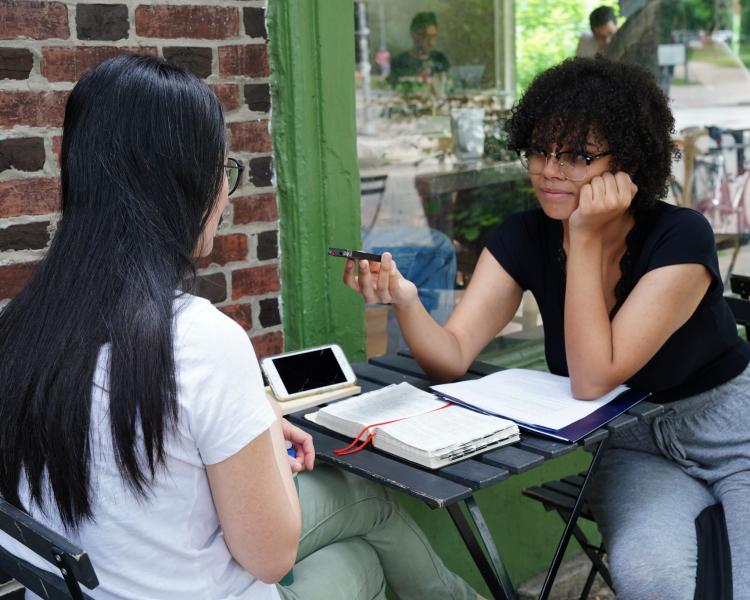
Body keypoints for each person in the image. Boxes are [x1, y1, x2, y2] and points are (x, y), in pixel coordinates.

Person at [0, 54, 481, 600]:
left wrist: (258, 416)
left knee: (365, 516)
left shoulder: (23, 328)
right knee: (362, 551)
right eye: (223, 171)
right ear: (185, 185)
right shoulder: (199, 341)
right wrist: (264, 442)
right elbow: (270, 556)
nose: (226, 197)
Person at [344, 56, 750, 599]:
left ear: (627, 161)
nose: (549, 169)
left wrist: (582, 237)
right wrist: (407, 301)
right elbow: (452, 356)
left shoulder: (680, 237)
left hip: (731, 431)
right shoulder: (523, 236)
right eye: (539, 149)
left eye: (578, 155)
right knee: (650, 579)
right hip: (632, 445)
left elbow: (592, 377)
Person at [387, 12, 450, 87]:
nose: (431, 42)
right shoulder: (399, 62)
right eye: (426, 37)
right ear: (414, 35)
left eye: (434, 37)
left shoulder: (440, 60)